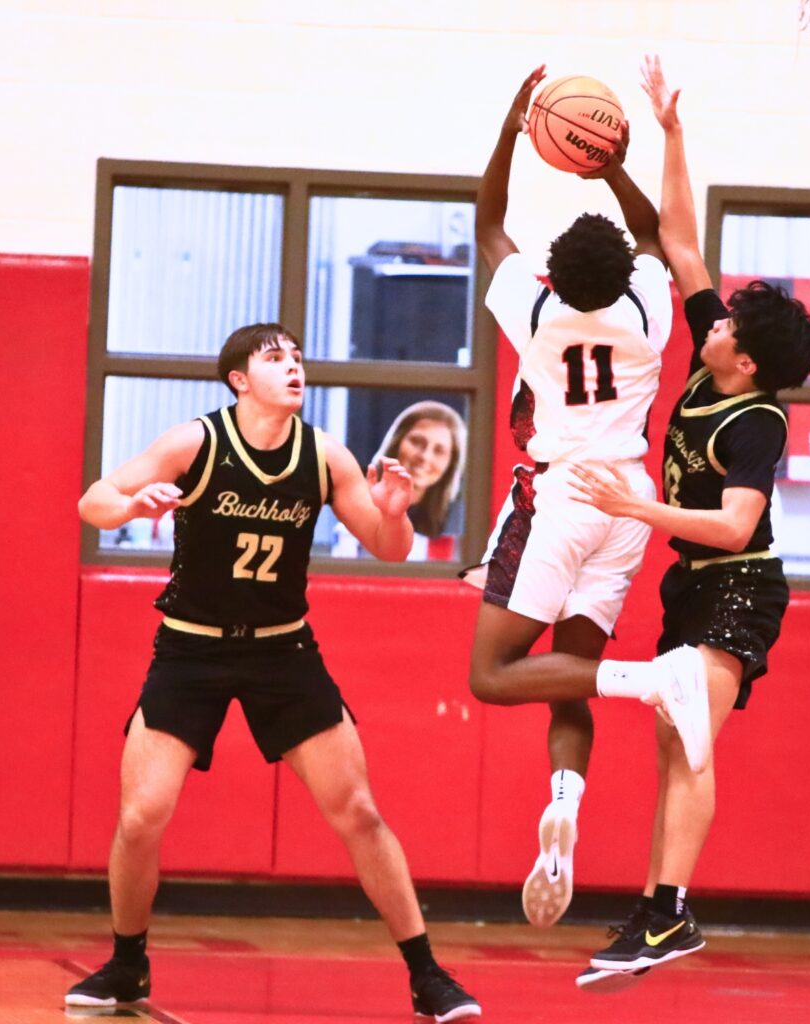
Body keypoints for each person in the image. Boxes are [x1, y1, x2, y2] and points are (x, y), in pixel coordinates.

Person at [67, 323, 481, 1022]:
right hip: (191, 649)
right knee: (141, 817)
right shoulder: (195, 442)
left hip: (282, 651)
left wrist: (394, 513)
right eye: (275, 358)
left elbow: (389, 546)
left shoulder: (324, 455)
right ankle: (127, 965)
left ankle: (427, 974)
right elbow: (93, 501)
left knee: (359, 812)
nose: (294, 367)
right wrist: (132, 505)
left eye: (297, 357)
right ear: (239, 379)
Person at [568, 55, 810, 990]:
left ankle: (669, 912)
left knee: (692, 741)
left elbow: (735, 527)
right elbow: (680, 243)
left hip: (739, 587)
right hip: (692, 585)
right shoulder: (718, 364)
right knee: (672, 745)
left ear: (746, 362)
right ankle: (657, 909)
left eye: (725, 328)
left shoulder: (756, 420)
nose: (710, 323)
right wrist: (671, 135)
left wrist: (636, 505)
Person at [463, 65, 712, 932]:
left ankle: (650, 681)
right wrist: (611, 164)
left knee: (492, 675)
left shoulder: (536, 315)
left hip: (562, 498)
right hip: (628, 503)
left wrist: (512, 131)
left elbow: (487, 224)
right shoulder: (648, 312)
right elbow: (652, 234)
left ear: (554, 277)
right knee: (566, 677)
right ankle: (564, 802)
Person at [375, 400, 467, 559]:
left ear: (451, 464)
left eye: (439, 451)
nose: (425, 457)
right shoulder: (356, 498)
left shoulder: (459, 523)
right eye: (417, 442)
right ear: (396, 442)